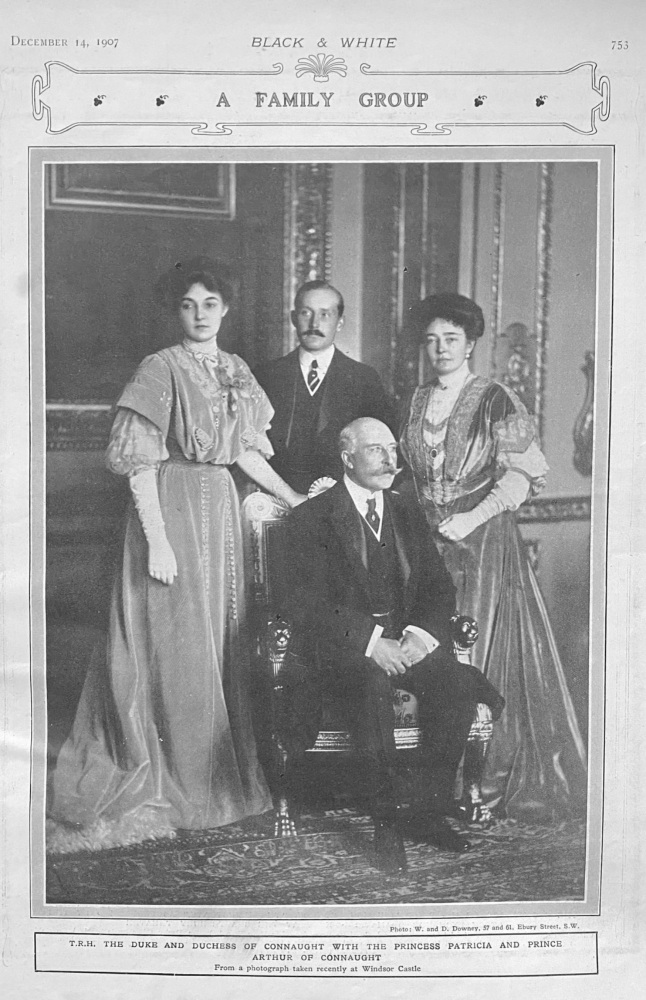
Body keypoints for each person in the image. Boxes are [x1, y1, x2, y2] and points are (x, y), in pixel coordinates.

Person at [47, 257, 305, 853]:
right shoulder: (159, 368)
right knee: (177, 643)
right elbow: (140, 464)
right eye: (188, 305)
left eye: (210, 304)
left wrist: (292, 496)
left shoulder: (237, 370)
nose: (199, 315)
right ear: (175, 310)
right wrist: (157, 540)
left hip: (219, 510)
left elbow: (243, 452)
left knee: (220, 639)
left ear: (226, 309)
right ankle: (177, 782)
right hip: (171, 506)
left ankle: (220, 782)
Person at [285, 418, 505, 874]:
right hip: (344, 652)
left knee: (455, 686)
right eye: (375, 451)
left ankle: (424, 812)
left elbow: (438, 588)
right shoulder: (312, 517)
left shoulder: (406, 510)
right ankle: (386, 824)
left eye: (392, 449)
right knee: (371, 687)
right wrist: (370, 642)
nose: (390, 460)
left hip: (405, 643)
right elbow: (304, 603)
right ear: (347, 458)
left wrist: (418, 638)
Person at [399, 292, 588, 823]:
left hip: (481, 542)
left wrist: (471, 518)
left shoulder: (497, 398)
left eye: (451, 340)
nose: (440, 349)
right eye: (432, 340)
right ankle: (431, 781)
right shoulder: (414, 400)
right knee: (427, 647)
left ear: (471, 344)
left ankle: (475, 781)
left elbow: (524, 474)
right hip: (427, 544)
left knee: (473, 647)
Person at [254, 279, 394, 494]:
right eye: (305, 313)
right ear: (293, 318)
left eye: (325, 314)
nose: (314, 324)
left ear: (339, 322)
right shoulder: (266, 376)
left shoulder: (364, 379)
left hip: (342, 504)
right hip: (278, 500)